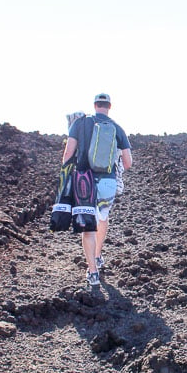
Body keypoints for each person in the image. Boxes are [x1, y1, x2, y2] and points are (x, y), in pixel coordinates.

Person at [61, 93, 132, 290]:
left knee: (88, 225)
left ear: (94, 105)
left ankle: (93, 272)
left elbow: (68, 153)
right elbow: (128, 163)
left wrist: (67, 175)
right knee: (102, 217)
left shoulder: (80, 123)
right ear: (110, 106)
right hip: (107, 182)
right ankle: (99, 255)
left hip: (85, 180)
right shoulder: (117, 128)